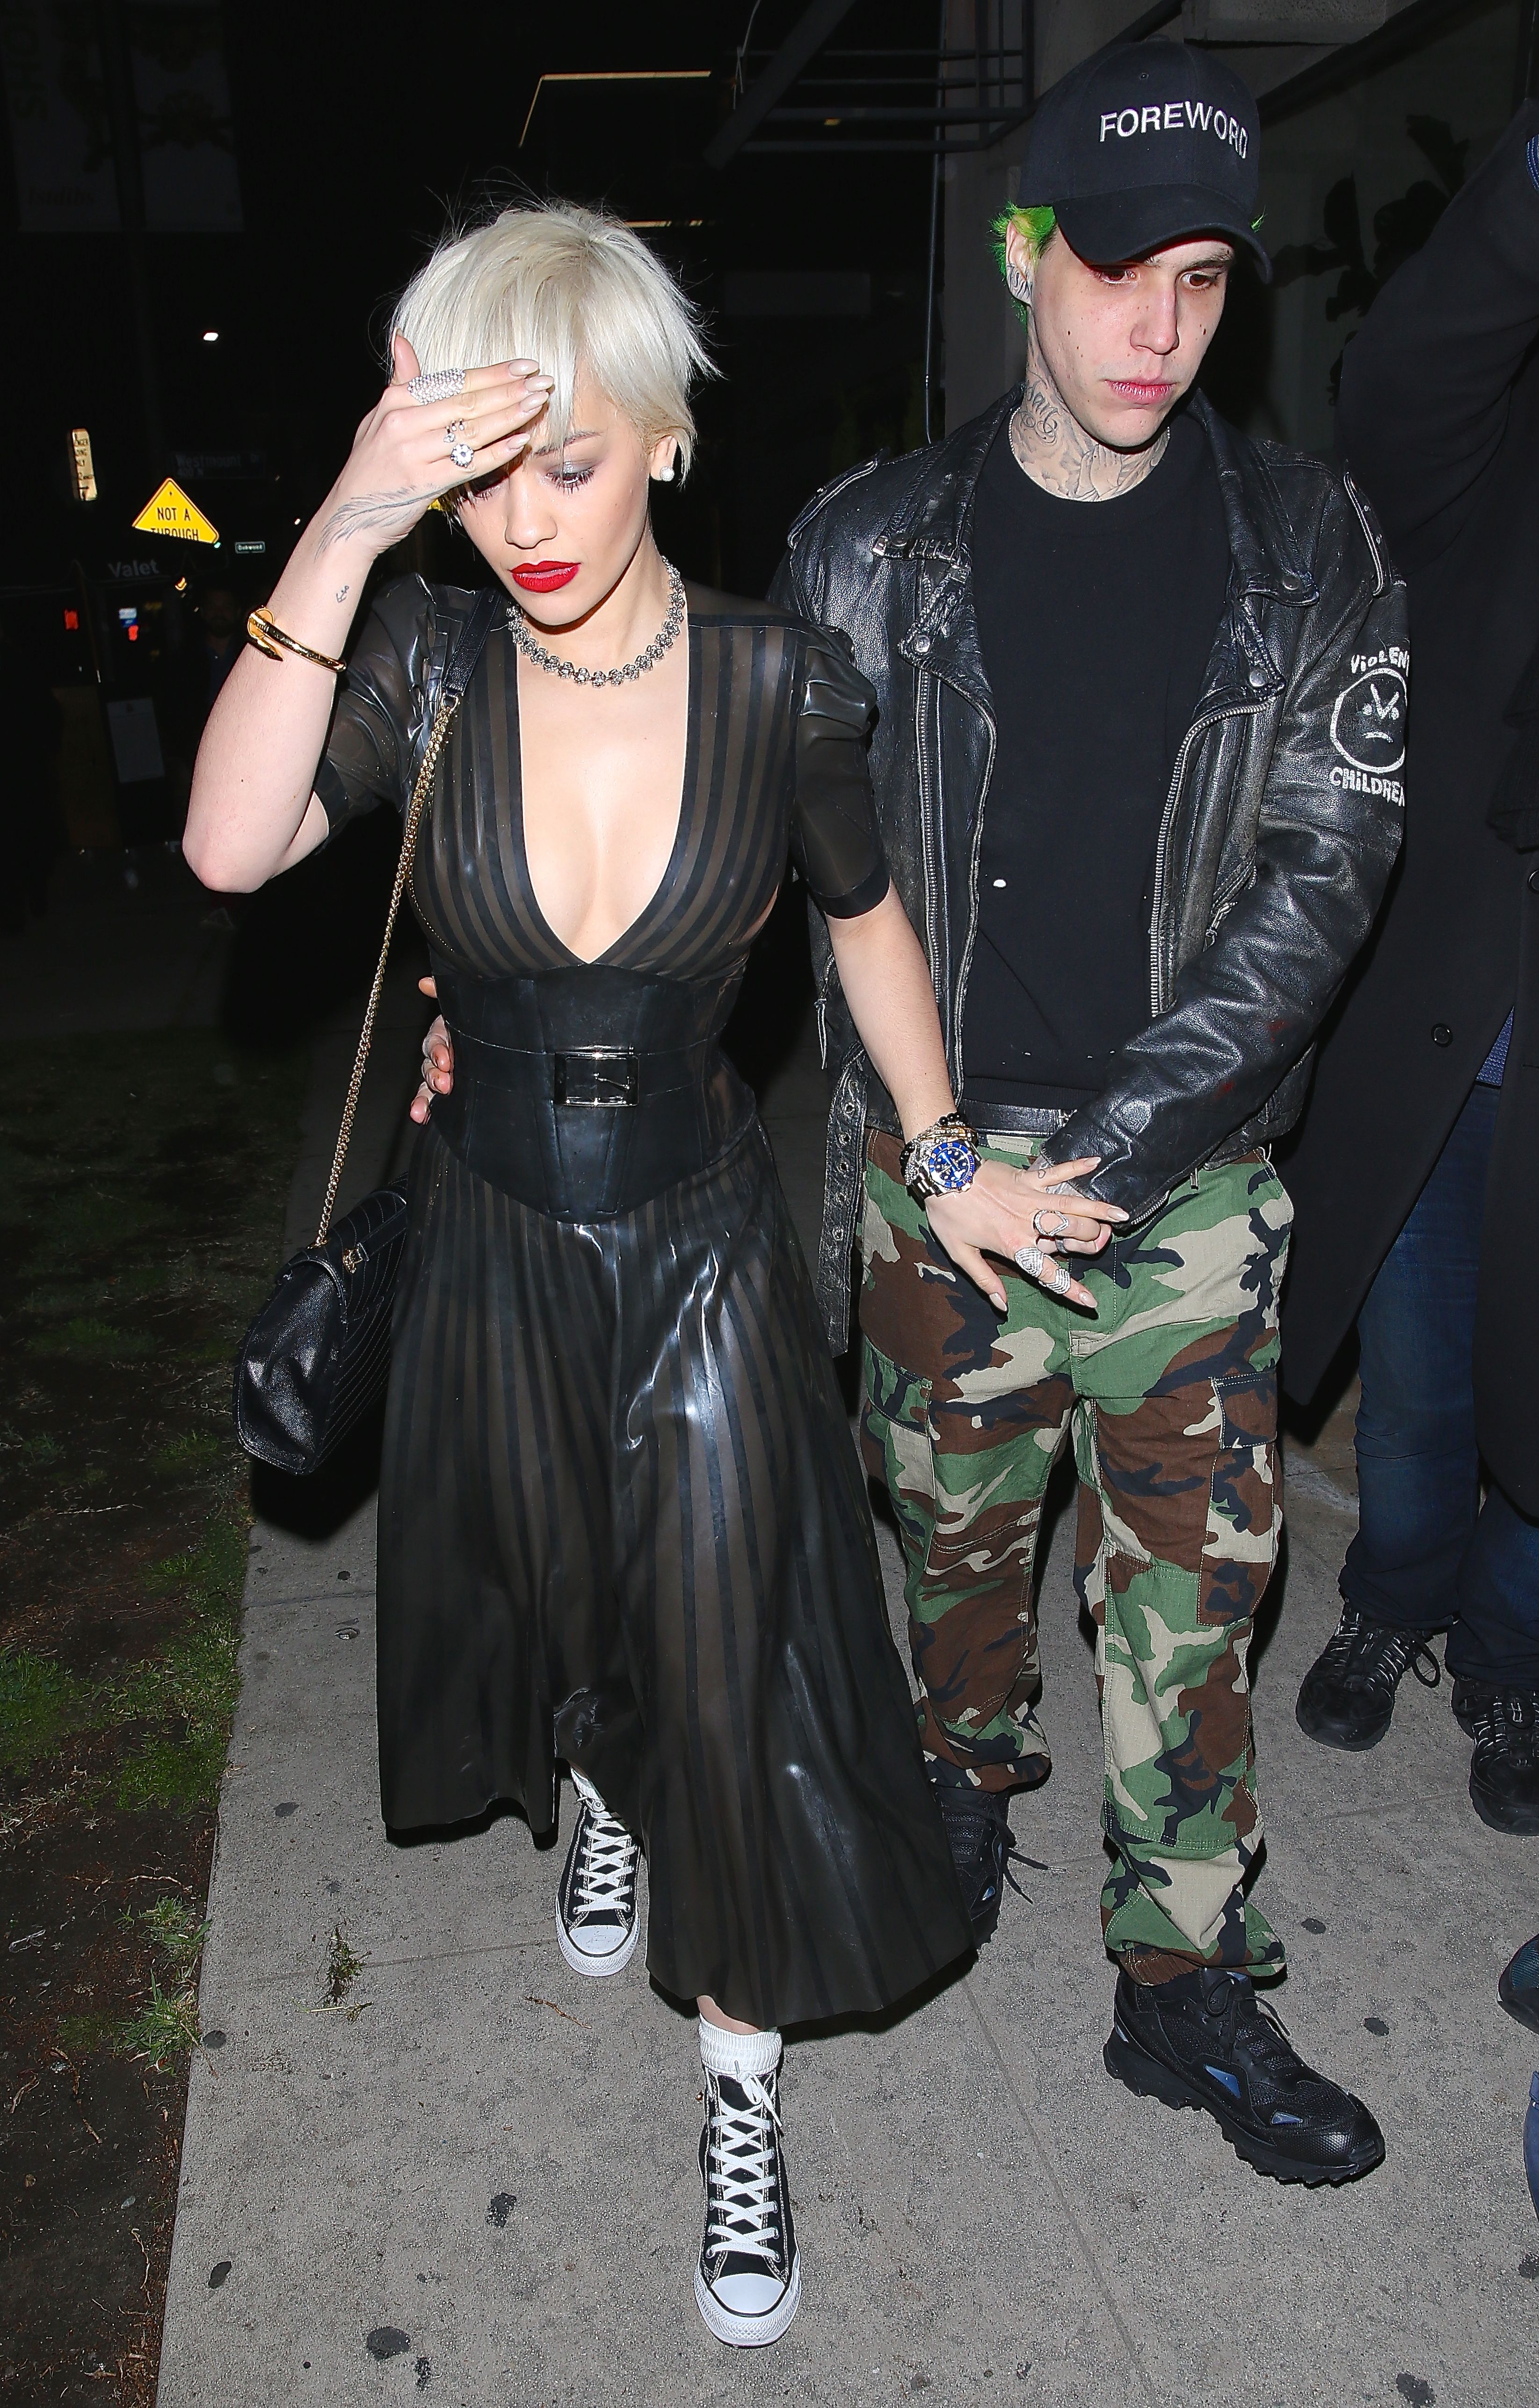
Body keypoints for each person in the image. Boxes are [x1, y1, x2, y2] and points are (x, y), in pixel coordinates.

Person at [183, 202, 1124, 2347]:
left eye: (573, 463)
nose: (525, 523)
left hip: (700, 1246)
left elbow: (864, 920)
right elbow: (230, 845)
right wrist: (351, 515)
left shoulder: (780, 684)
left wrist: (948, 1154)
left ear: (667, 439)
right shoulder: (426, 661)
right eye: (481, 475)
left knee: (739, 1672)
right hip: (489, 1249)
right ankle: (595, 1784)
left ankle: (737, 2084)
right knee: (564, 1598)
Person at [771, 41, 1408, 2186]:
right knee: (952, 1543)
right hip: (940, 1170)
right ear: (1023, 252)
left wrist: (1118, 1154)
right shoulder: (867, 548)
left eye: (1205, 279)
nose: (1159, 328)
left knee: (1193, 1599)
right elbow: (781, 856)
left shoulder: (1307, 545)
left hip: (1181, 1179)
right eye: (1118, 268)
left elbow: (1324, 872)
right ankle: (962, 1778)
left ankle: (1180, 1973)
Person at [1281, 104, 1539, 1842]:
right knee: (1419, 1372)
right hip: (1446, 1014)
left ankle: (1513, 1656)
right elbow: (1396, 387)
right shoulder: (1493, 436)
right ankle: (1391, 1595)